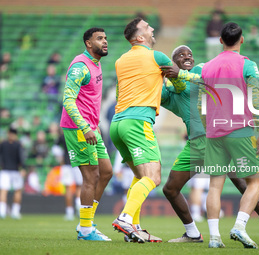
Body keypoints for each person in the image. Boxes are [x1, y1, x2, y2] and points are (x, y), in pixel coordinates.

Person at [161, 46, 259, 246]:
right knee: (170, 188)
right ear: (172, 62)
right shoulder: (170, 92)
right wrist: (162, 76)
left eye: (190, 54)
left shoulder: (202, 70)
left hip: (217, 138)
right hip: (197, 143)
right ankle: (193, 233)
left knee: (245, 185)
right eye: (181, 55)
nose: (187, 57)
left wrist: (181, 74)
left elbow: (212, 80)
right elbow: (157, 94)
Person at [110, 17, 187, 243]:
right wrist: (176, 79)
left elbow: (120, 90)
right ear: (140, 37)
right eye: (147, 27)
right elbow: (180, 85)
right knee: (153, 176)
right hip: (137, 122)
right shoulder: (158, 57)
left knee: (139, 176)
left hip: (118, 124)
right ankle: (125, 218)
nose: (152, 28)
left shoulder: (120, 60)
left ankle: (134, 228)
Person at [201, 22, 259, 249]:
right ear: (242, 39)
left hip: (214, 132)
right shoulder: (248, 65)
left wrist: (207, 127)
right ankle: (239, 226)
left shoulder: (206, 67)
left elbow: (203, 105)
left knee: (215, 185)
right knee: (255, 181)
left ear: (220, 41)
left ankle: (214, 238)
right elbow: (255, 99)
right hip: (240, 130)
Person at [60, 27, 113, 241]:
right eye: (100, 38)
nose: (105, 41)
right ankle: (85, 229)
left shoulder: (96, 64)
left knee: (107, 172)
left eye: (106, 38)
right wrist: (85, 127)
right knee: (91, 177)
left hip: (91, 126)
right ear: (88, 43)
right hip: (78, 128)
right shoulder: (80, 67)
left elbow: (88, 99)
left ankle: (87, 221)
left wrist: (95, 123)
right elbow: (68, 100)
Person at [52, 128, 83, 221]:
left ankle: (69, 213)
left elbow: (55, 149)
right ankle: (79, 206)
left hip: (66, 164)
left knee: (68, 188)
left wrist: (60, 157)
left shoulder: (63, 135)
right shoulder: (78, 134)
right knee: (80, 187)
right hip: (78, 163)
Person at [0, 127, 26, 219]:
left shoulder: (3, 144)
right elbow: (22, 157)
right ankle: (8, 212)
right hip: (11, 170)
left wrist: (22, 168)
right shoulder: (18, 144)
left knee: (6, 190)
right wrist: (23, 167)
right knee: (12, 190)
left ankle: (9, 212)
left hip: (10, 171)